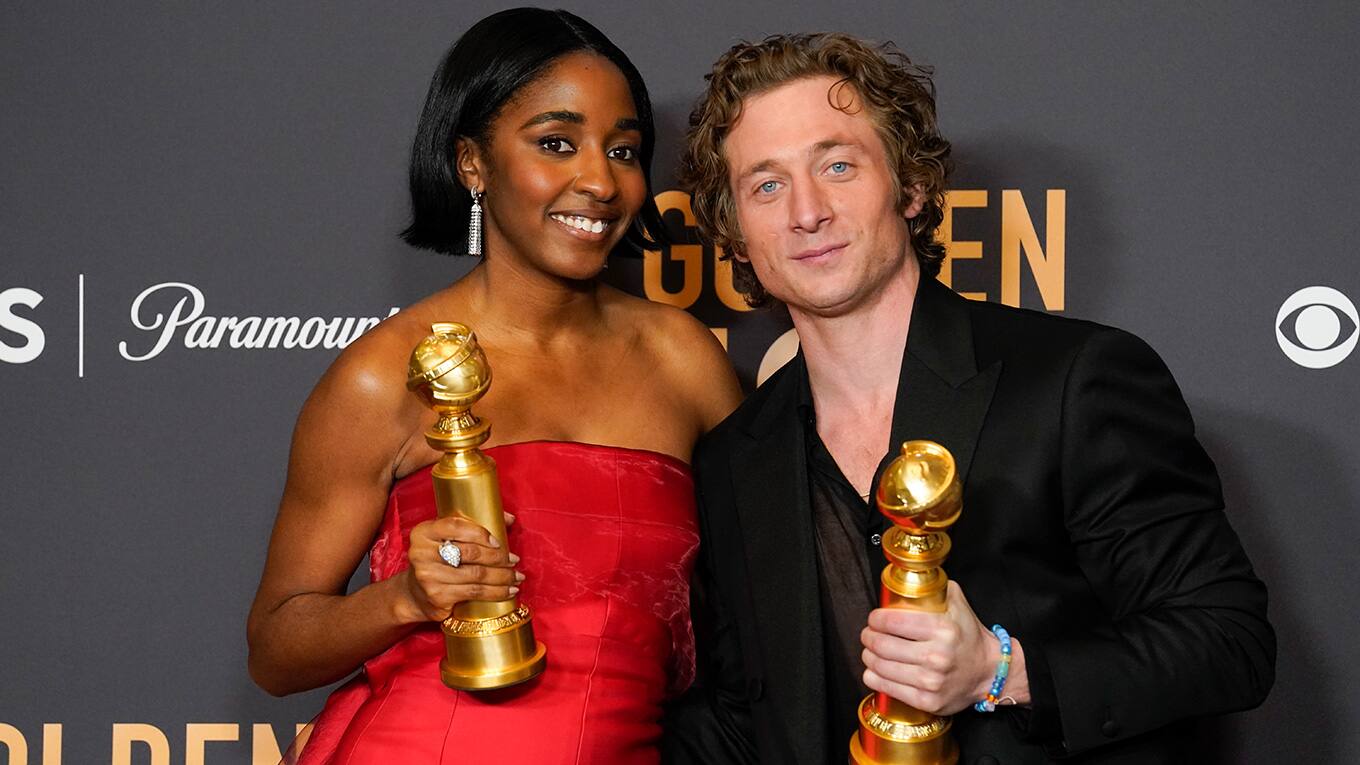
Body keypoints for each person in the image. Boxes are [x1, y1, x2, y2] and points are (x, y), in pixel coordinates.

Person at [663, 33, 1275, 764]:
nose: (807, 211)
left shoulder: (1074, 380)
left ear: (910, 188)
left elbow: (1227, 640)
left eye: (837, 165)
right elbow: (744, 720)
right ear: (735, 235)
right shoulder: (735, 458)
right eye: (766, 185)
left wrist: (999, 671)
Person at [246, 9, 741, 764]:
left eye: (623, 150)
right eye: (556, 143)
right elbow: (276, 650)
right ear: (472, 163)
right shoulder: (386, 373)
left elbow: (757, 616)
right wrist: (404, 599)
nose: (599, 181)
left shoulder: (685, 360)